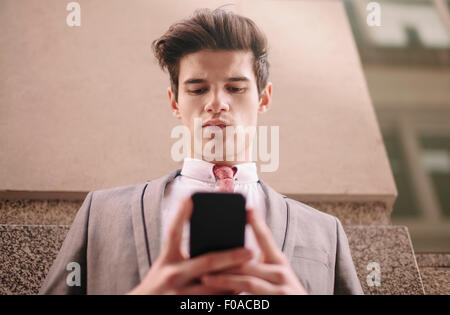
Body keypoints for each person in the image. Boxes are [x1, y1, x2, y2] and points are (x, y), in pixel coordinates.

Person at [39, 8, 363, 295]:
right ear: (174, 101)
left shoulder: (324, 232)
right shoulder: (102, 213)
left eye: (235, 88)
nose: (216, 103)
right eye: (197, 88)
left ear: (264, 98)